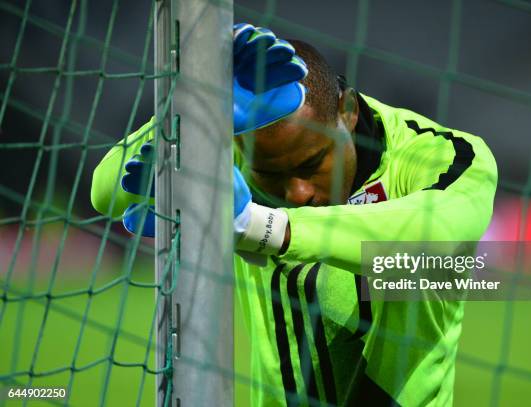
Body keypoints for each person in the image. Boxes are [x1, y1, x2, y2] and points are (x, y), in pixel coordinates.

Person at [91, 24, 497, 407]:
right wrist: (194, 101)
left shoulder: (440, 155)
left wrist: (257, 226)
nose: (297, 193)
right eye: (270, 175)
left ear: (348, 110)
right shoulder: (234, 147)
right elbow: (106, 194)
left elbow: (440, 236)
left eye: (312, 164)